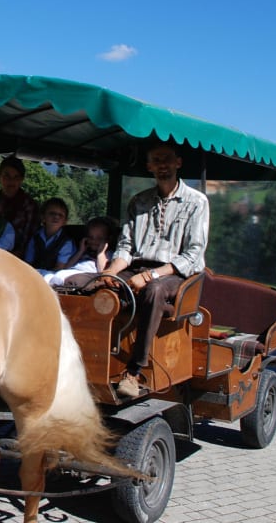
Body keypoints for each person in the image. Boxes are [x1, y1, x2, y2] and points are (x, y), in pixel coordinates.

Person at [100, 140, 209, 399]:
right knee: (88, 284)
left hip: (177, 275)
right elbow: (125, 247)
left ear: (178, 163)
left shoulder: (196, 202)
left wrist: (151, 275)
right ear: (149, 166)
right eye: (156, 161)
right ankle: (93, 358)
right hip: (137, 266)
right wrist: (108, 273)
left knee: (153, 291)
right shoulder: (139, 202)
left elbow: (193, 255)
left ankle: (134, 372)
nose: (162, 165)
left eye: (167, 159)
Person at [46, 215, 119, 288]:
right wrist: (80, 251)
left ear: (108, 239)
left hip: (83, 275)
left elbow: (101, 271)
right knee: (44, 275)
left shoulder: (108, 254)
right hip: (69, 272)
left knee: (58, 278)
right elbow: (67, 267)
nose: (94, 241)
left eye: (99, 238)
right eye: (91, 237)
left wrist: (100, 253)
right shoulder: (84, 252)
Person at [23, 197, 77, 278]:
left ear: (65, 221)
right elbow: (28, 262)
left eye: (60, 215)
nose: (56, 217)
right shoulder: (35, 237)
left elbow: (60, 268)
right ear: (43, 217)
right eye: (52, 213)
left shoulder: (66, 242)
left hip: (54, 275)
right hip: (35, 273)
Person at [0, 155, 39, 258]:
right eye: (7, 176)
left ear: (21, 180)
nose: (11, 181)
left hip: (17, 258)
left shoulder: (29, 205)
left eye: (16, 177)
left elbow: (29, 240)